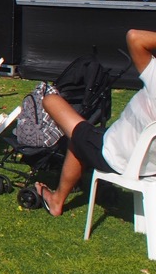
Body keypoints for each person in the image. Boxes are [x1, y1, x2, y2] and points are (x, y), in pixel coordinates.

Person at [36, 29, 156, 216]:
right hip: (151, 166)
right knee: (83, 136)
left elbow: (134, 36)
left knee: (50, 101)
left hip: (117, 157)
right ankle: (58, 198)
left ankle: (56, 201)